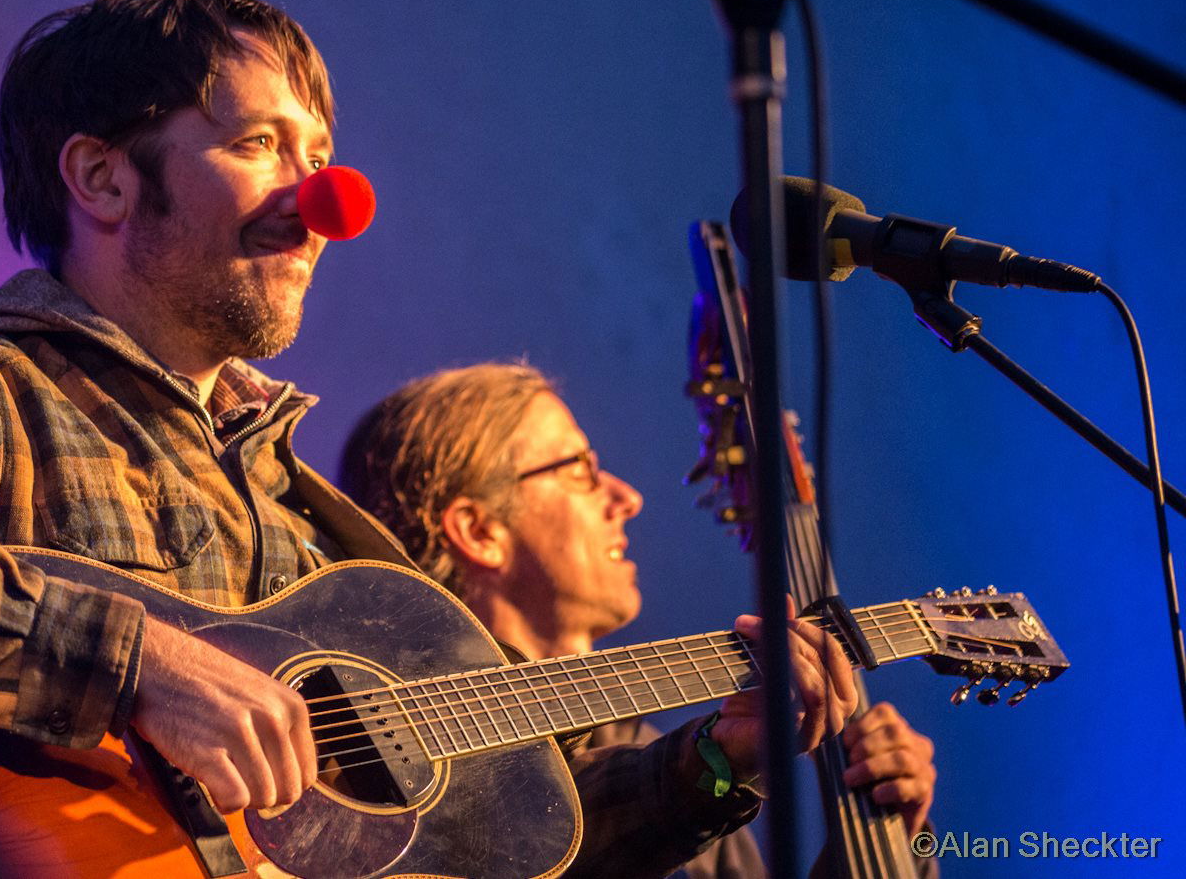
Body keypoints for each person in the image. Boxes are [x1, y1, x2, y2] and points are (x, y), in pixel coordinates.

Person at [0, 0, 859, 876]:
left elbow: (482, 849)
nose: (324, 202)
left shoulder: (300, 517)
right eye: (259, 145)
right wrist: (132, 662)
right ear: (104, 178)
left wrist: (714, 762)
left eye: (320, 154)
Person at [340, 363, 939, 878]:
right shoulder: (383, 768)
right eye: (579, 469)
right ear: (480, 531)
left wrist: (891, 837)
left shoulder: (680, 767)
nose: (627, 498)